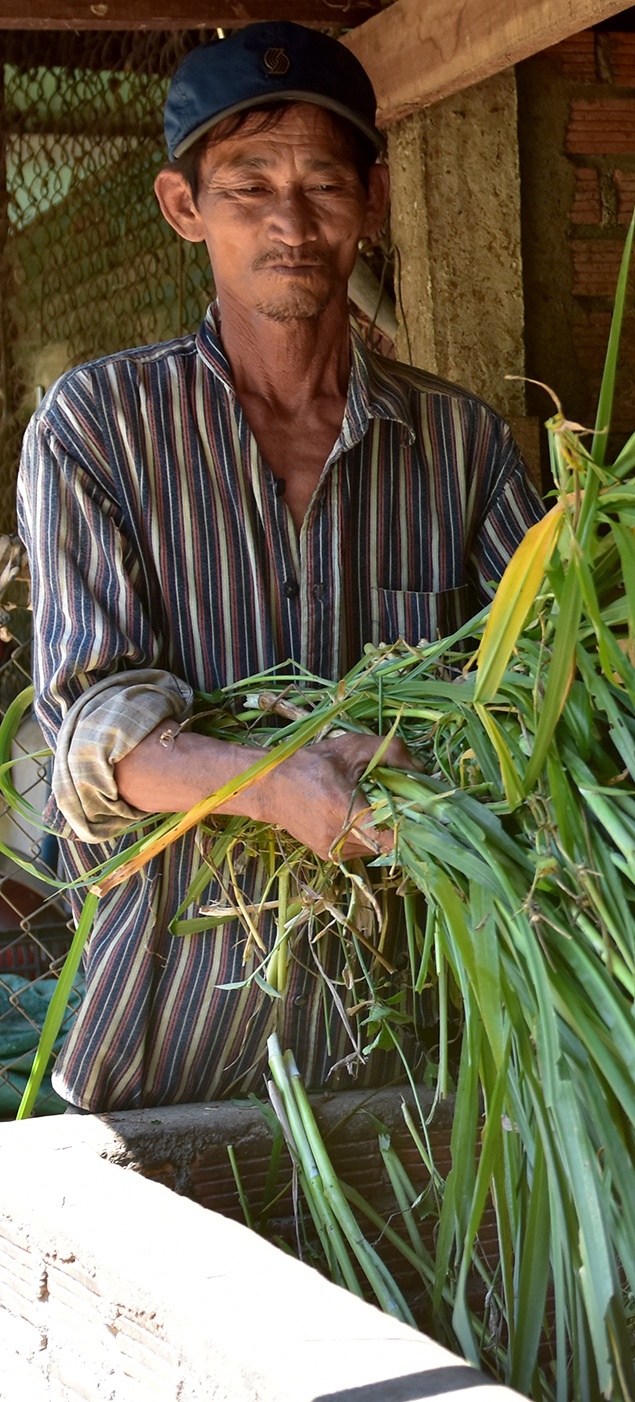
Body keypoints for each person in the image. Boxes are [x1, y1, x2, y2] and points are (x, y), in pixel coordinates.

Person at [17, 23, 543, 1111]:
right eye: (249, 186)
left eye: (323, 185)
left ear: (374, 201)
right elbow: (93, 746)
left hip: (412, 1040)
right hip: (170, 1035)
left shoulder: (462, 446)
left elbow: (535, 698)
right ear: (185, 207)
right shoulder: (99, 426)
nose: (290, 223)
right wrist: (275, 783)